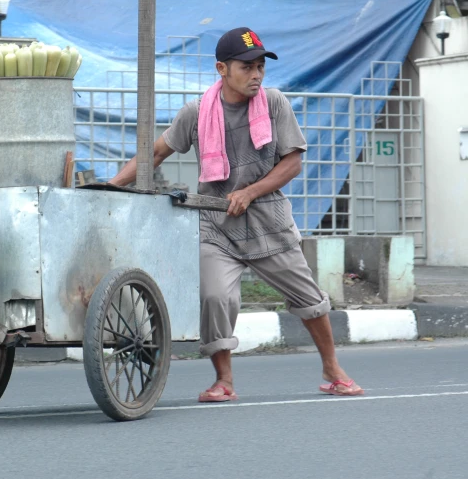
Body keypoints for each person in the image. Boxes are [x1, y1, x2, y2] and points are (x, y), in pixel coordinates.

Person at [109, 27, 363, 402]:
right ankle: (223, 380)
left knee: (309, 299)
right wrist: (111, 187)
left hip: (268, 222)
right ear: (222, 69)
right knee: (215, 297)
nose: (256, 74)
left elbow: (292, 163)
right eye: (247, 67)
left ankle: (332, 369)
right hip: (217, 225)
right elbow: (157, 153)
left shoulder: (275, 104)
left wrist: (251, 191)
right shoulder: (197, 113)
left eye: (260, 66)